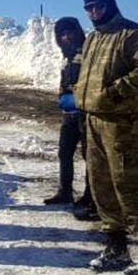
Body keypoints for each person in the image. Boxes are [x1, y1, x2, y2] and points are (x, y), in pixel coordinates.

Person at [74, 0, 138, 275]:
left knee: (127, 184)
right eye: (88, 8)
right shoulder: (92, 39)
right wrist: (80, 93)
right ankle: (116, 245)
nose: (93, 12)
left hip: (122, 123)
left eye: (98, 6)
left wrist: (114, 93)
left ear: (110, 4)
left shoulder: (131, 34)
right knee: (101, 184)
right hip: (94, 120)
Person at [46, 17, 96, 219]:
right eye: (62, 34)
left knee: (89, 155)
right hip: (69, 115)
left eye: (70, 32)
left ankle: (89, 195)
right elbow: (64, 81)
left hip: (85, 114)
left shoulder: (87, 53)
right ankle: (65, 191)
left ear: (77, 32)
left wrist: (79, 98)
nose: (67, 37)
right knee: (64, 153)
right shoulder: (66, 57)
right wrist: (62, 96)